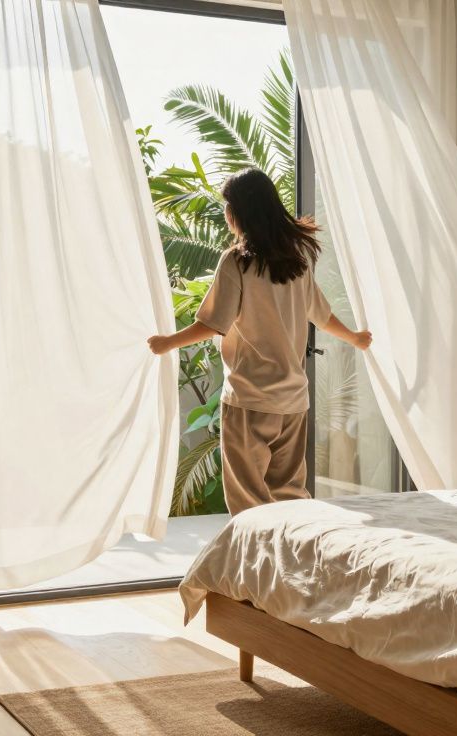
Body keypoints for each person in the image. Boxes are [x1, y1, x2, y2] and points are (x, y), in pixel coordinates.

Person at [147, 168, 372, 515]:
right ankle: (293, 562)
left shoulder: (237, 261)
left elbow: (213, 324)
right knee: (289, 496)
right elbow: (322, 316)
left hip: (249, 401)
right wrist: (355, 338)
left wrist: (166, 343)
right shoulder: (297, 261)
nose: (225, 213)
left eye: (227, 205)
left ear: (240, 212)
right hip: (293, 402)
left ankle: (254, 569)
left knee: (248, 501)